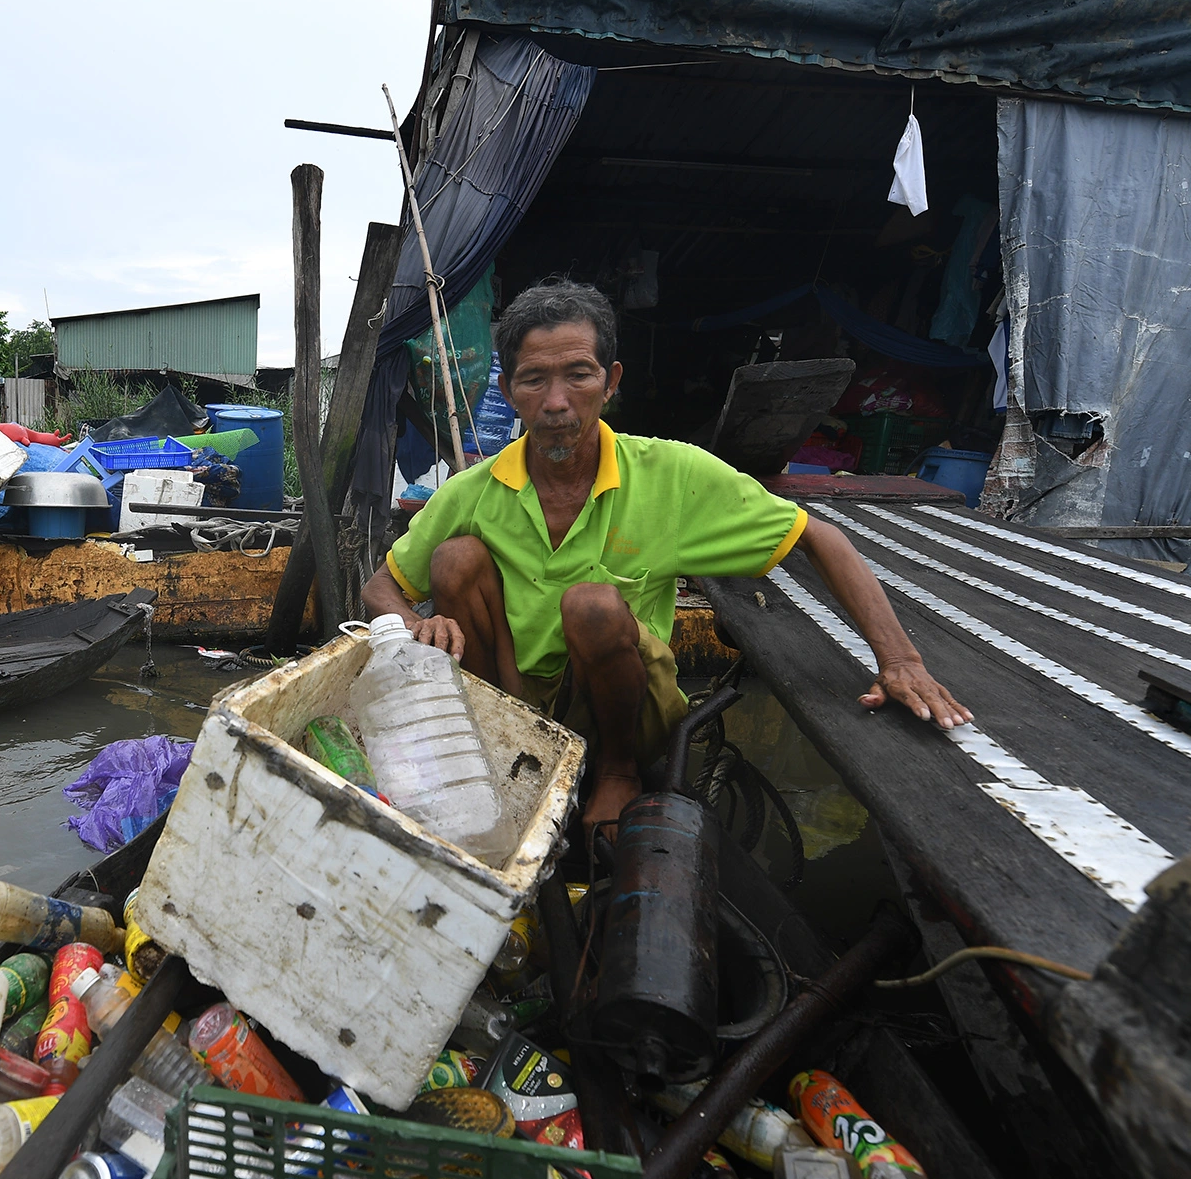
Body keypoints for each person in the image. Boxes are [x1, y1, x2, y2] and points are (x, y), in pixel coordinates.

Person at [361, 279, 970, 836]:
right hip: (519, 692)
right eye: (533, 380)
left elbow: (818, 536)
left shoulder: (672, 474)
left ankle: (618, 773)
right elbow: (380, 586)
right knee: (453, 560)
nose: (556, 402)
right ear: (507, 393)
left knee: (593, 604)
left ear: (612, 381)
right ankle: (506, 743)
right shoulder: (475, 489)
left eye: (578, 374)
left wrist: (899, 659)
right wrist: (415, 623)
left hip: (625, 708)